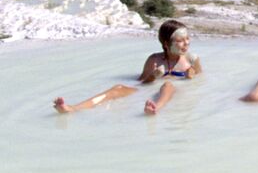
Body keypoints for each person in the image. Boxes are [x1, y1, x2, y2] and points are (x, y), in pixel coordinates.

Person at [53, 20, 201, 115]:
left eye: (187, 38)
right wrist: (153, 76)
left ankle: (155, 108)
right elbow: (142, 83)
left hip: (172, 90)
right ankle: (73, 108)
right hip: (148, 89)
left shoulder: (191, 59)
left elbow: (201, 80)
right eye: (180, 41)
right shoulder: (154, 59)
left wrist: (191, 76)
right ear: (166, 44)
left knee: (168, 85)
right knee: (117, 88)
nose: (186, 43)